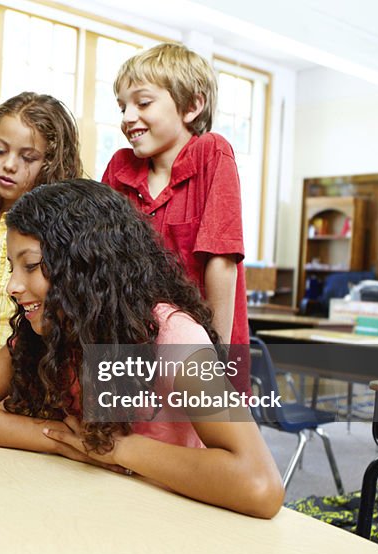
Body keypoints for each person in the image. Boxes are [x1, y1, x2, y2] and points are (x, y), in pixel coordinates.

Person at [0, 180, 282, 519]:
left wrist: (116, 449)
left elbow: (260, 483)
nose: (13, 285)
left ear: (85, 267)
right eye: (12, 267)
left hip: (168, 522)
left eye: (32, 266)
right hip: (91, 511)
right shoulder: (52, 330)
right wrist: (62, 442)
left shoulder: (174, 337)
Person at [101, 43, 250, 393]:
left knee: (199, 444)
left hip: (201, 351)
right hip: (135, 354)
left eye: (143, 102)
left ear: (191, 106)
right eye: (122, 106)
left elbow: (221, 261)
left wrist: (216, 359)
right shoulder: (120, 168)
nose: (127, 117)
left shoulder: (212, 153)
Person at [0, 92, 83, 365]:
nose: (8, 165)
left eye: (27, 158)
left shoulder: (55, 229)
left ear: (52, 163)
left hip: (21, 365)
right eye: (0, 150)